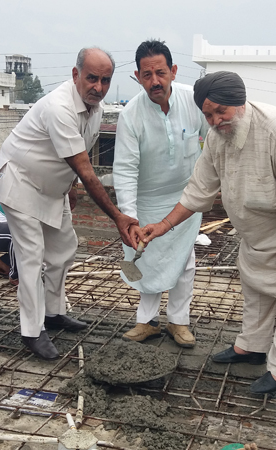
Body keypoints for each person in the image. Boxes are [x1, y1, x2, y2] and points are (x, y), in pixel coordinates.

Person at [138, 71, 276, 394]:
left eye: (220, 111)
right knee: (255, 287)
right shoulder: (217, 137)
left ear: (239, 104)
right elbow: (199, 189)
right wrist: (163, 225)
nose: (215, 120)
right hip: (262, 230)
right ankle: (252, 347)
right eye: (208, 114)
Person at [0, 47, 139, 360]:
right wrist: (118, 216)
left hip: (52, 187)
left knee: (63, 249)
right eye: (91, 78)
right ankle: (32, 332)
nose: (98, 87)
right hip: (21, 181)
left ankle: (53, 312)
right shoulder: (58, 107)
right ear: (75, 75)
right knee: (31, 258)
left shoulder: (96, 109)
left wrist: (68, 186)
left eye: (105, 80)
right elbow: (87, 170)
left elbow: (77, 160)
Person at [113, 40, 208, 348]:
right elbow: (125, 170)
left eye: (161, 72)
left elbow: (215, 139)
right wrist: (129, 215)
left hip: (185, 199)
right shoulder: (130, 115)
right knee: (146, 259)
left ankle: (178, 323)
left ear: (174, 72)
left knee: (185, 262)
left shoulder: (194, 102)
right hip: (146, 200)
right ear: (139, 77)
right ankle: (147, 322)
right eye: (147, 74)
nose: (155, 80)